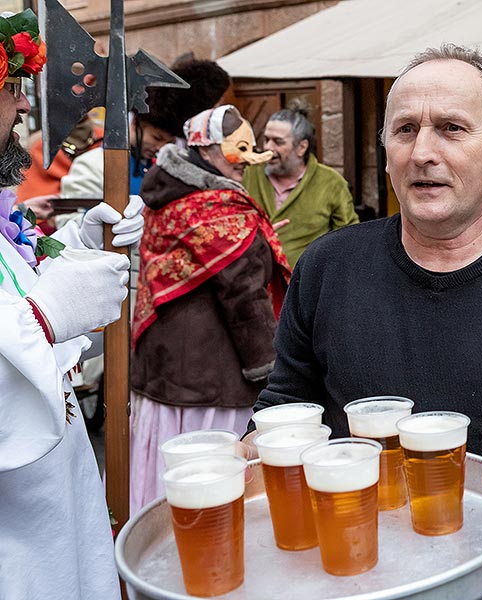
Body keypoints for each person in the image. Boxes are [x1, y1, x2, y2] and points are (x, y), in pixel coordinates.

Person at [241, 44, 482, 600]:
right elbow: (282, 408)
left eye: (452, 128)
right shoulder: (327, 267)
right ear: (385, 153)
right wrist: (241, 456)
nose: (423, 151)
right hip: (351, 582)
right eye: (405, 130)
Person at [0, 10, 144, 598]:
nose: (24, 109)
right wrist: (44, 316)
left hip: (50, 518)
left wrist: (75, 253)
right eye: (11, 91)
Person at [129, 104, 291, 513]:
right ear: (209, 149)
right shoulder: (218, 208)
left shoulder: (168, 195)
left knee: (169, 493)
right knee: (214, 497)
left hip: (162, 372)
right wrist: (273, 375)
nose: (250, 160)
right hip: (211, 383)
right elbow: (245, 297)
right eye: (240, 149)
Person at [61, 58, 231, 198]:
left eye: (168, 142)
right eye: (157, 138)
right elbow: (70, 221)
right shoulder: (91, 165)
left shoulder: (161, 169)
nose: (160, 148)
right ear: (136, 123)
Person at [242, 99, 359, 267]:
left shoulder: (330, 182)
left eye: (278, 141)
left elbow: (349, 239)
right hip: (254, 281)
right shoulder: (248, 174)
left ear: (302, 147)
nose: (268, 147)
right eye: (266, 139)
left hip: (305, 284)